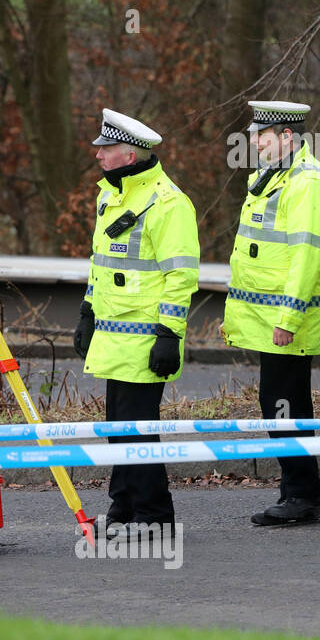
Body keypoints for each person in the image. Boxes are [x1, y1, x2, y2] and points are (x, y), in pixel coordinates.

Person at [73, 109, 200, 530]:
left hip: (145, 340)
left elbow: (180, 277)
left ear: (129, 156)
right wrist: (87, 311)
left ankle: (154, 516)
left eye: (105, 149)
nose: (98, 157)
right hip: (113, 336)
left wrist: (169, 335)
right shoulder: (110, 195)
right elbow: (101, 262)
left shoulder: (167, 202)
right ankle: (123, 507)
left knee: (138, 435)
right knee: (120, 432)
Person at [221, 101, 320, 525]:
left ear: (287, 137)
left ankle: (302, 496)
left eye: (261, 135)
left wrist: (288, 318)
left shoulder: (307, 181)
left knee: (285, 402)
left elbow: (307, 256)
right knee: (279, 401)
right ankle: (300, 493)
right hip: (264, 319)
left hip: (285, 321)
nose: (252, 141)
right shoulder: (270, 178)